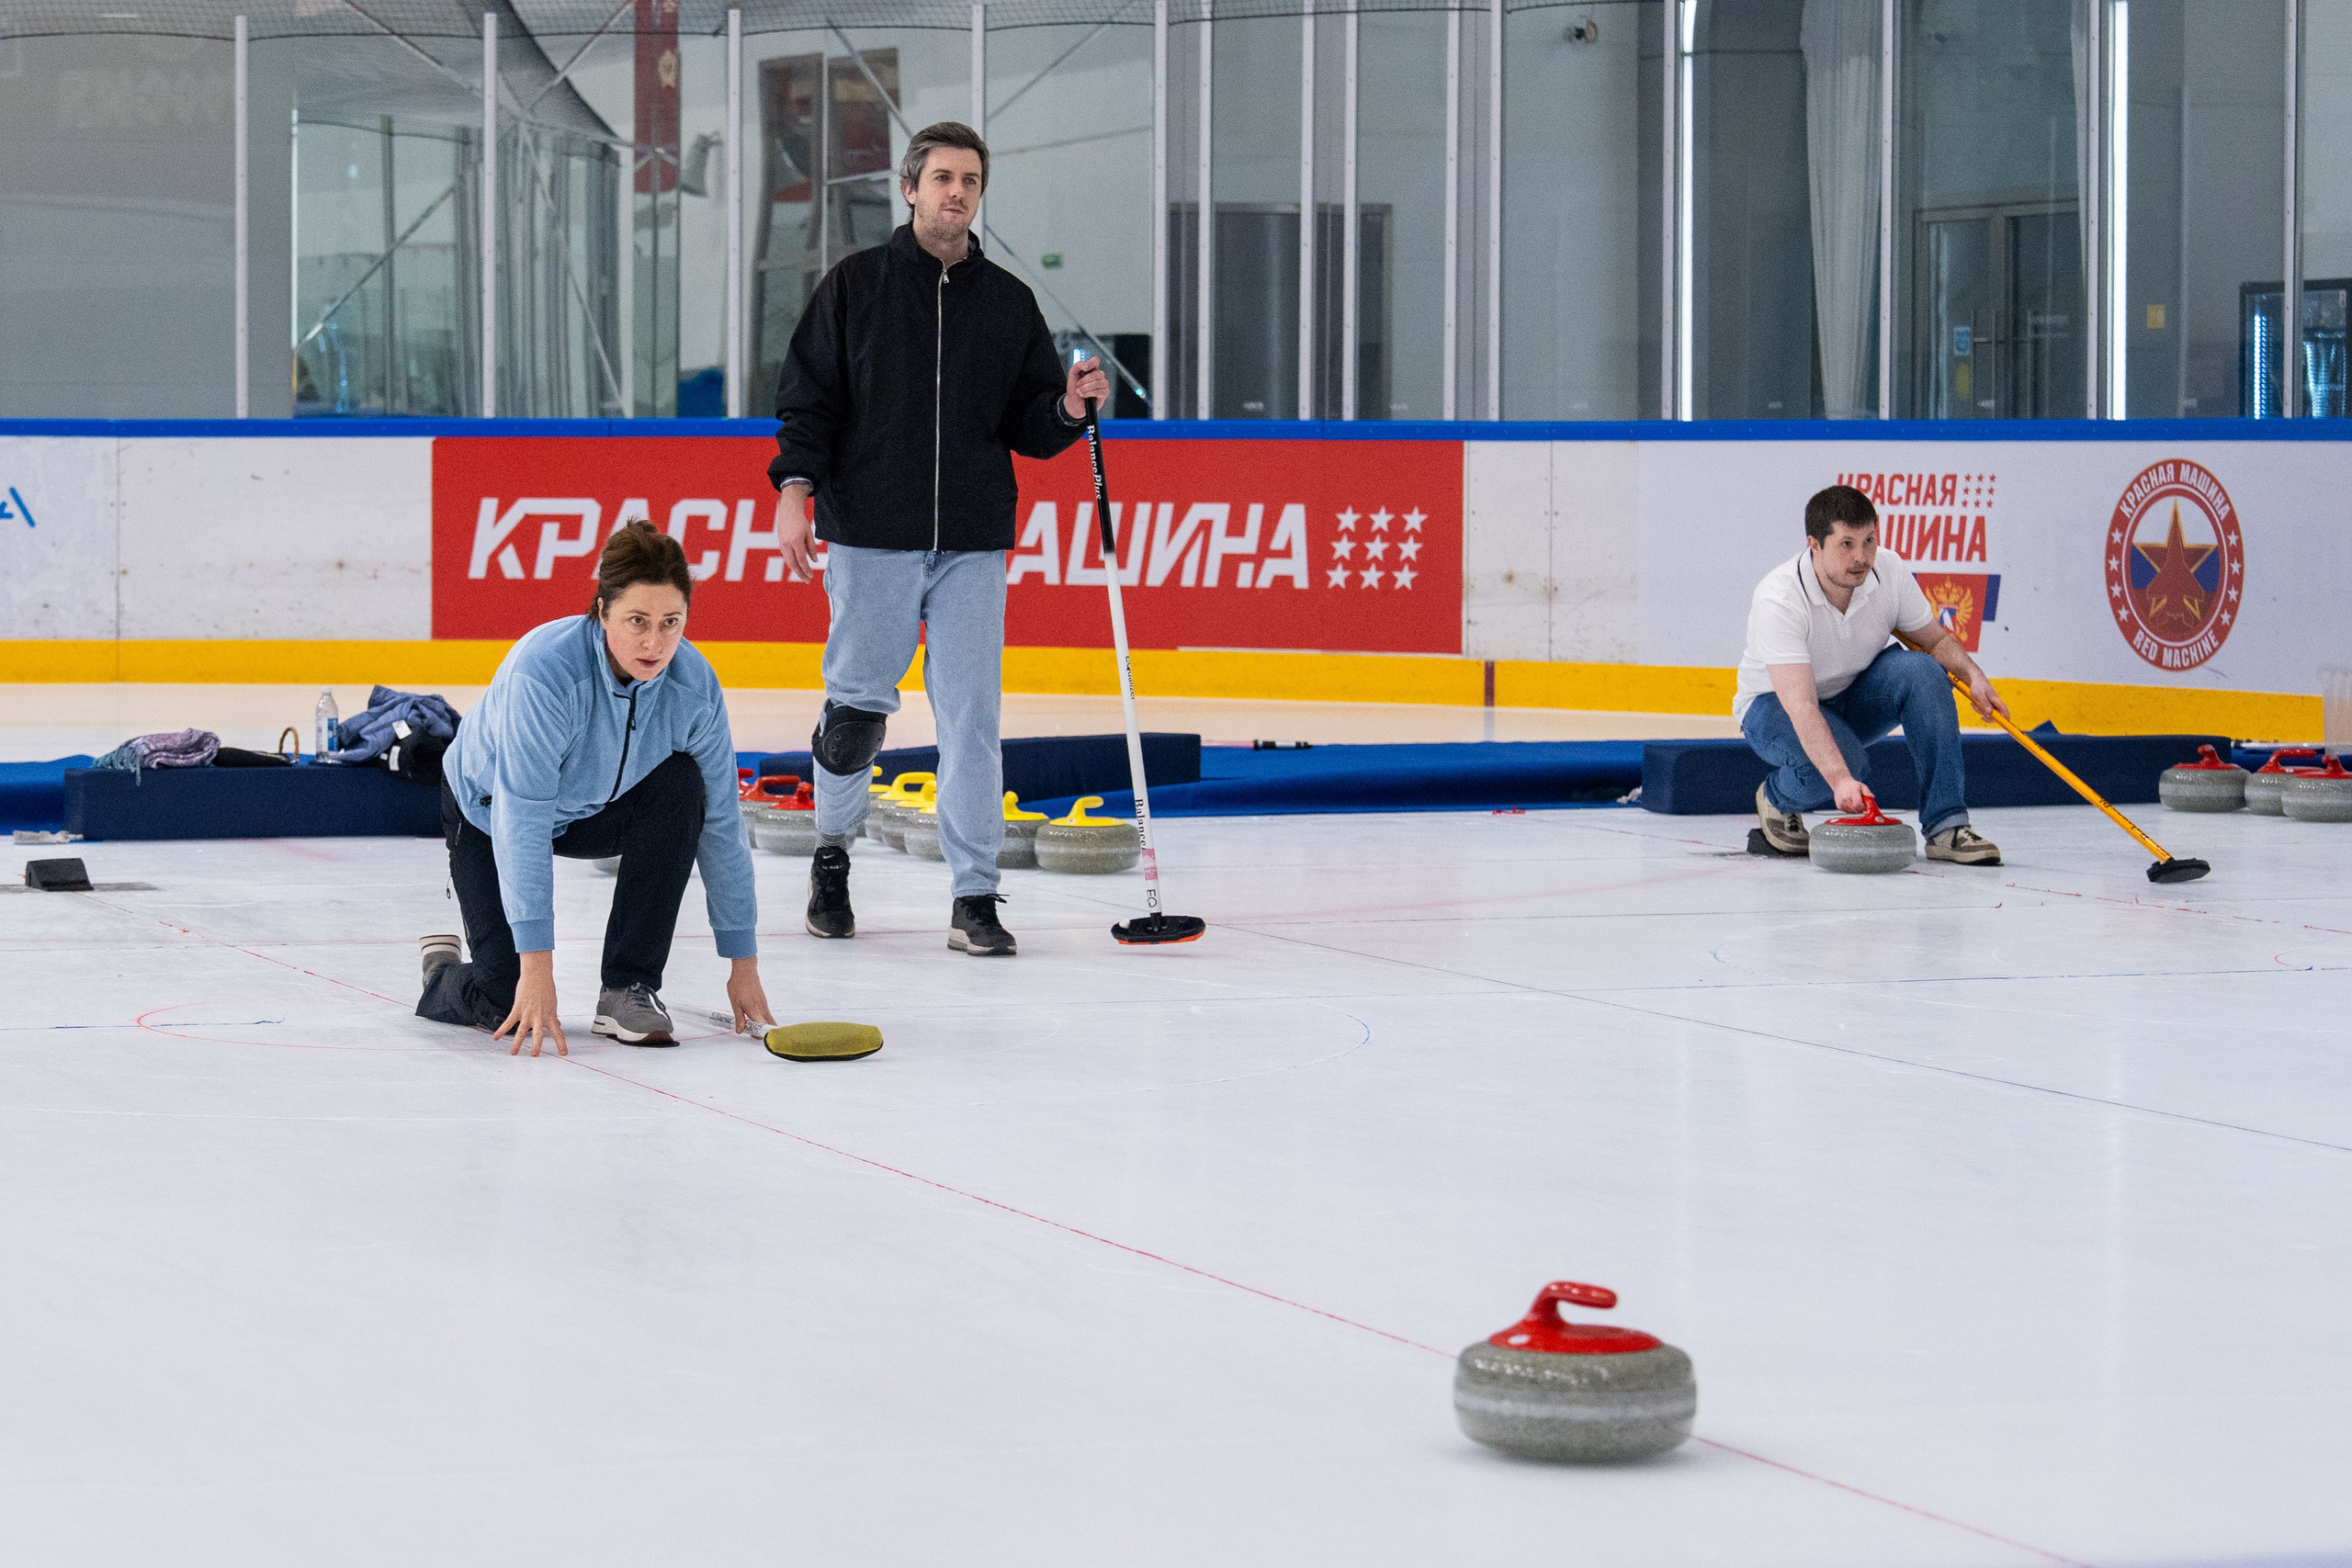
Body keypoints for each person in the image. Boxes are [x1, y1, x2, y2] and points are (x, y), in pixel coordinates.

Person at [766, 119, 1110, 958]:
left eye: (971, 181)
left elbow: (1030, 424)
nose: (957, 192)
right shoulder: (855, 287)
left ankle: (974, 893)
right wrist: (795, 491)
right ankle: (832, 855)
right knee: (855, 713)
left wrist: (1068, 408)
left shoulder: (1009, 303)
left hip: (971, 540)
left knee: (971, 718)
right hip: (869, 531)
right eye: (944, 178)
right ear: (910, 188)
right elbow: (809, 402)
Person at [417, 522, 775, 1055]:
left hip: (591, 809)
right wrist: (537, 969)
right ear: (602, 611)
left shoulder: (695, 688)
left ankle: (629, 987)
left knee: (684, 785)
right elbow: (523, 817)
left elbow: (722, 822)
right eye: (637, 621)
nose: (655, 642)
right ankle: (443, 972)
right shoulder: (545, 673)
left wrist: (742, 963)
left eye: (671, 623)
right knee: (502, 997)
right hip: (488, 812)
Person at [1735, 483, 2007, 865]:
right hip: (1774, 707)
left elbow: (1935, 641)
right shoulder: (1779, 599)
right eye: (1846, 544)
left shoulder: (1888, 570)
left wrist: (1974, 676)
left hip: (1850, 693)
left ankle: (1947, 826)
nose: (1862, 557)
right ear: (1814, 545)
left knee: (1923, 672)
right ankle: (1776, 797)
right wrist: (1841, 779)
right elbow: (1801, 707)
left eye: (1869, 541)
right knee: (1846, 766)